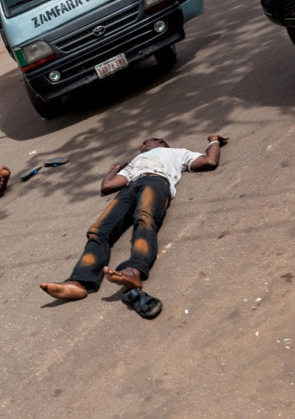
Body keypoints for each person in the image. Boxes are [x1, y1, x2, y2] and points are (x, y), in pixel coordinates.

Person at [40, 135, 229, 318]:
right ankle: (79, 282)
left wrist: (213, 140)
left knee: (144, 219)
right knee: (98, 230)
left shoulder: (176, 153)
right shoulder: (135, 161)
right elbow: (107, 186)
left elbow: (209, 161)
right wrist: (115, 168)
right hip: (129, 188)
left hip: (156, 181)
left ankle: (134, 270)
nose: (142, 145)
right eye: (141, 144)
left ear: (161, 142)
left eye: (146, 141)